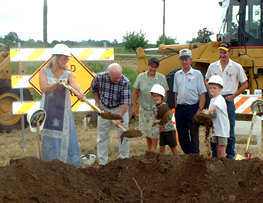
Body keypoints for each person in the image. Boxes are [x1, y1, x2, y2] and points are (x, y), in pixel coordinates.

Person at [39, 44, 85, 167]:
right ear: (56, 58)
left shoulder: (68, 73)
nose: (67, 60)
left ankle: (66, 165)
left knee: (66, 135)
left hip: (63, 111)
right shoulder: (44, 71)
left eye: (67, 58)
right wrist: (57, 84)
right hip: (48, 110)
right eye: (65, 58)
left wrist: (81, 94)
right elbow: (44, 89)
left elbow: (75, 86)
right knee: (49, 136)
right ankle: (50, 164)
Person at [205, 42, 248, 159]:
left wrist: (234, 96)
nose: (222, 54)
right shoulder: (212, 66)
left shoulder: (236, 67)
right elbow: (207, 79)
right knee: (214, 127)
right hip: (215, 98)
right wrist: (211, 92)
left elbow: (245, 84)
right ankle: (215, 156)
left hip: (228, 98)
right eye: (220, 52)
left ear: (229, 52)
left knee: (229, 127)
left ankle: (229, 155)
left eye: (224, 52)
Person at [91, 63, 131, 165]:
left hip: (119, 109)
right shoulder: (99, 77)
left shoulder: (125, 82)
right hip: (104, 109)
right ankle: (102, 162)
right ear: (109, 74)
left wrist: (119, 117)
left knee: (123, 136)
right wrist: (97, 102)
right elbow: (94, 89)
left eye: (119, 77)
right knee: (102, 137)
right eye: (115, 78)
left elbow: (125, 103)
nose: (118, 80)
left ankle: (123, 161)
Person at [173, 48, 206, 154]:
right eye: (182, 59)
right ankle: (188, 155)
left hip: (193, 107)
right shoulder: (177, 74)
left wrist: (200, 109)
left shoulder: (197, 74)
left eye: (186, 59)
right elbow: (176, 92)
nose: (184, 61)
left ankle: (195, 156)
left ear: (190, 60)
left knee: (193, 134)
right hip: (180, 108)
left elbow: (202, 93)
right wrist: (176, 106)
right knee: (182, 135)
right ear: (180, 60)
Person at [132, 57, 169, 152]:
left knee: (155, 131)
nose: (153, 69)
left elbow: (165, 94)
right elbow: (135, 92)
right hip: (144, 109)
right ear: (147, 66)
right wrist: (135, 107)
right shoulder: (141, 77)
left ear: (157, 68)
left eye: (155, 67)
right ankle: (149, 149)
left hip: (156, 110)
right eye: (151, 66)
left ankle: (152, 150)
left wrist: (162, 108)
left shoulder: (161, 78)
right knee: (146, 131)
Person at [203, 75, 230, 158]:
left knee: (222, 150)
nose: (212, 90)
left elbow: (213, 107)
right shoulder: (212, 99)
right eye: (210, 88)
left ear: (220, 89)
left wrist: (207, 112)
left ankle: (224, 164)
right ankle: (219, 164)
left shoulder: (220, 98)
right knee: (217, 148)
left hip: (222, 129)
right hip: (216, 128)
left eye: (214, 88)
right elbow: (213, 114)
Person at [150, 84, 178, 155]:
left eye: (158, 96)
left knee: (173, 147)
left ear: (162, 97)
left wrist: (156, 121)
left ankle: (178, 160)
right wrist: (155, 120)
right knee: (161, 148)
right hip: (162, 131)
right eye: (154, 96)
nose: (156, 98)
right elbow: (156, 117)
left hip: (169, 130)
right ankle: (162, 163)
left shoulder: (164, 107)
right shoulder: (154, 107)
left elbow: (165, 119)